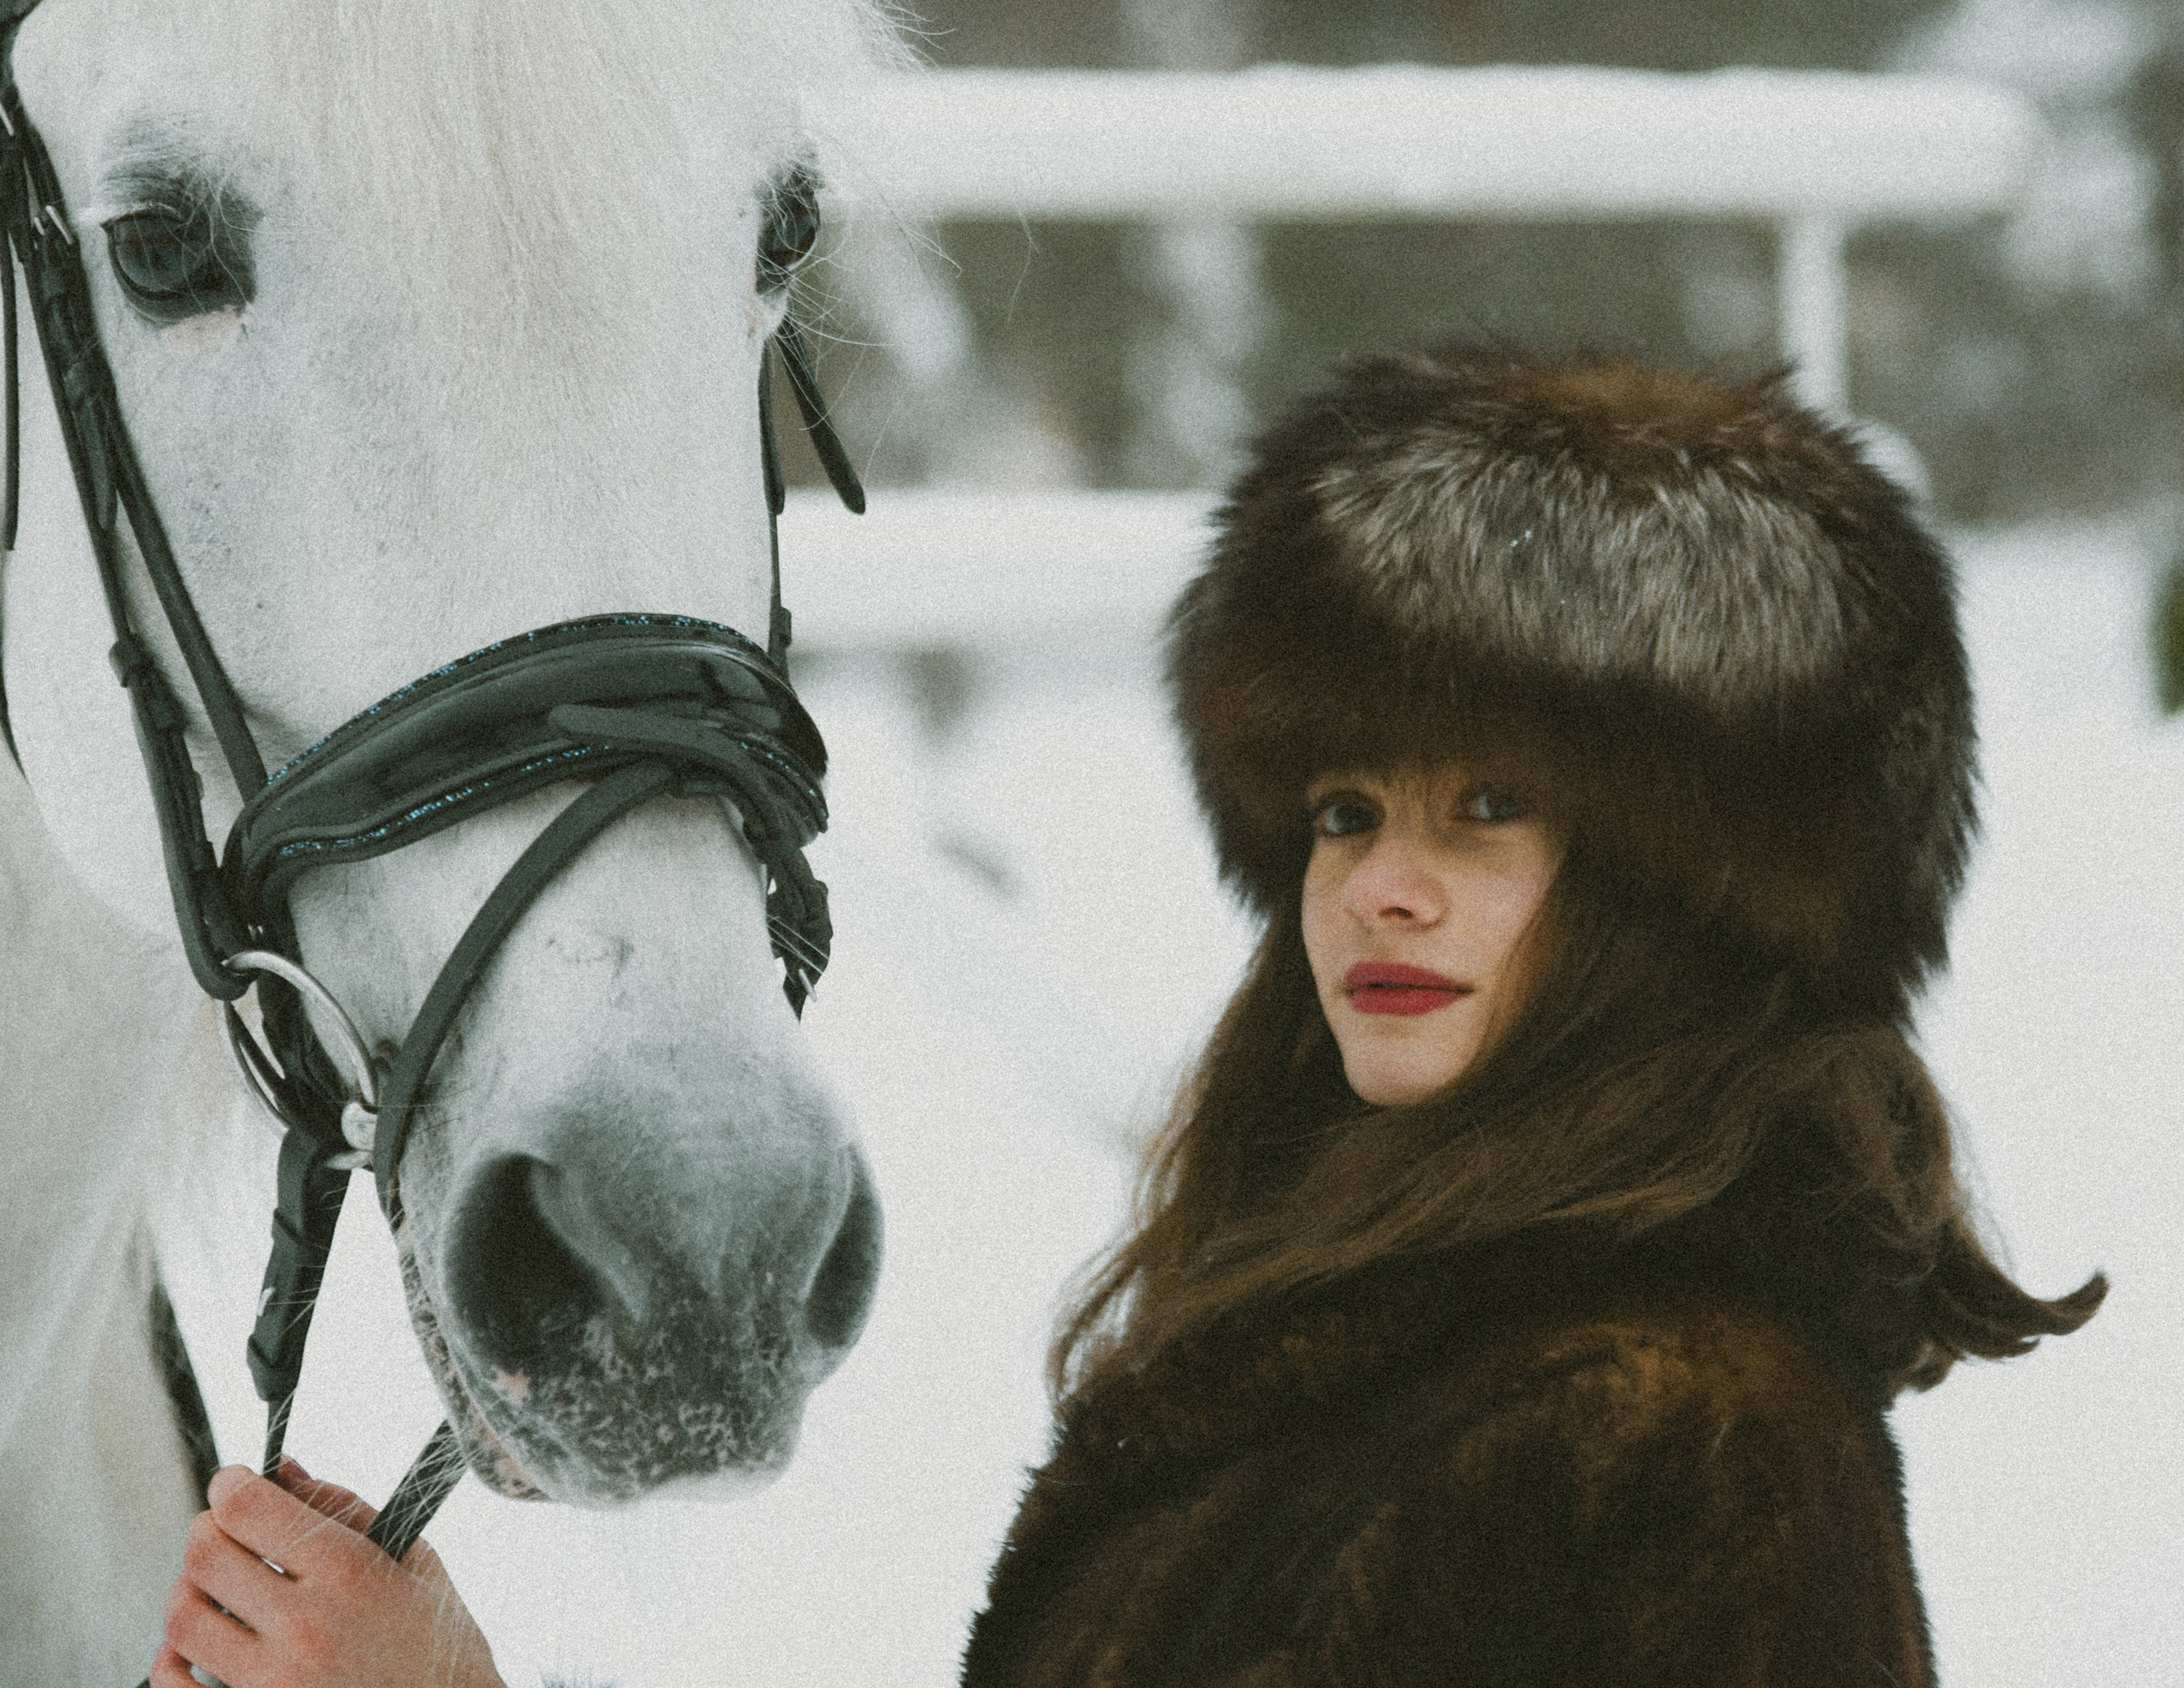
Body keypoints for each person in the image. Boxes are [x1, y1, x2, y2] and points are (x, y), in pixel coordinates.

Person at [153, 345, 2104, 1688]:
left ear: (1689, 886)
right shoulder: (1397, 1333)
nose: (1376, 882)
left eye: (1485, 807)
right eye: (1343, 806)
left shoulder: (1668, 1441)